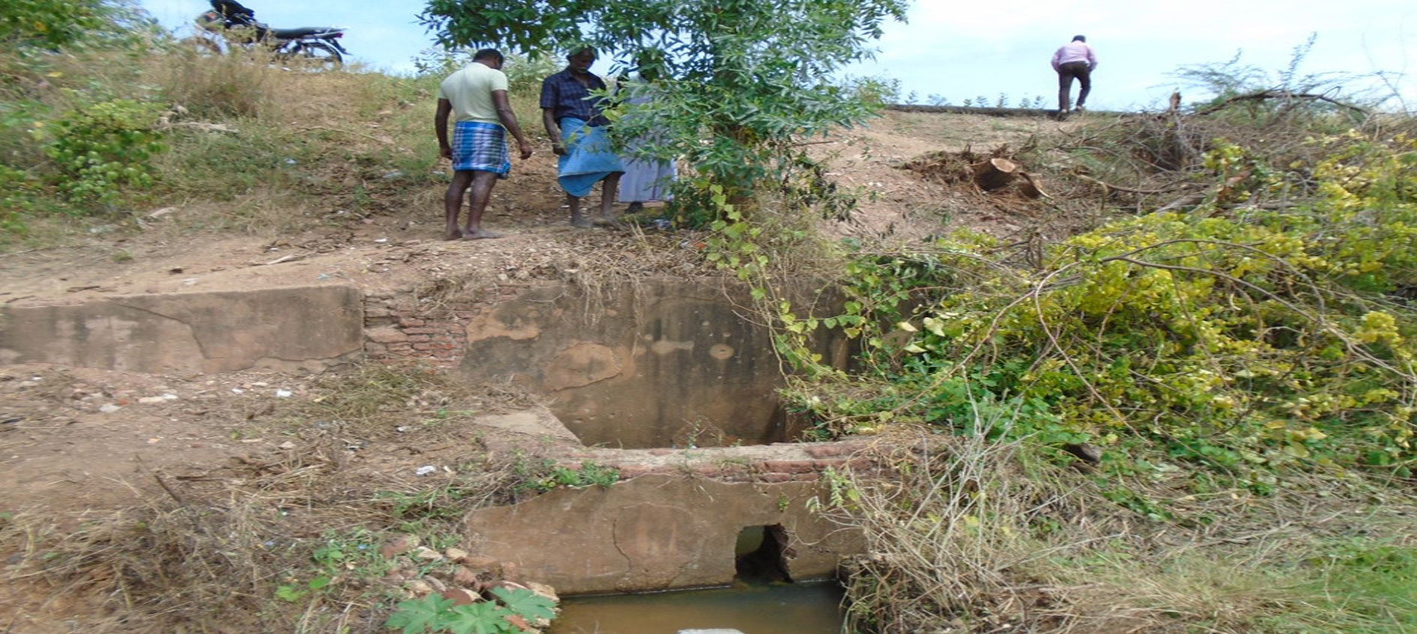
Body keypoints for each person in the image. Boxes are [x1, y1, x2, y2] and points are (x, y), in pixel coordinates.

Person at [435, 48, 534, 240]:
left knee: (460, 178)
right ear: (496, 60)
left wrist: (443, 144)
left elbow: (440, 116)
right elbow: (503, 109)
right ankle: (473, 229)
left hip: (462, 130)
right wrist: (522, 140)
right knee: (484, 177)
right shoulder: (494, 75)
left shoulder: (450, 79)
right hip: (487, 129)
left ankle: (451, 228)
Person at [541, 46, 624, 228]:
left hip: (600, 126)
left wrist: (620, 90)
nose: (585, 63)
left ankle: (606, 214)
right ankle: (576, 216)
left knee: (615, 168)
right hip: (573, 125)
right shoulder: (554, 81)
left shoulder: (596, 81)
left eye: (589, 60)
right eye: (581, 59)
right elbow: (548, 113)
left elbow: (608, 108)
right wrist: (556, 138)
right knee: (574, 169)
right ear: (570, 58)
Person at [616, 63, 677, 215]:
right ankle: (635, 201)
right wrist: (620, 87)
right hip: (636, 131)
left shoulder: (667, 85)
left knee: (666, 163)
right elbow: (613, 103)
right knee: (634, 164)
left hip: (662, 130)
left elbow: (677, 104)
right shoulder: (630, 82)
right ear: (639, 65)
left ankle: (669, 198)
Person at [1051, 35, 1097, 118]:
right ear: (1083, 40)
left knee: (1064, 88)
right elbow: (1094, 60)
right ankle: (1079, 105)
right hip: (1081, 65)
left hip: (1065, 65)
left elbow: (1054, 60)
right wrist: (1089, 69)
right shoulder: (1086, 46)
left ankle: (1064, 108)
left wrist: (1058, 70)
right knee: (1086, 86)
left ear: (1073, 40)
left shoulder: (1063, 47)